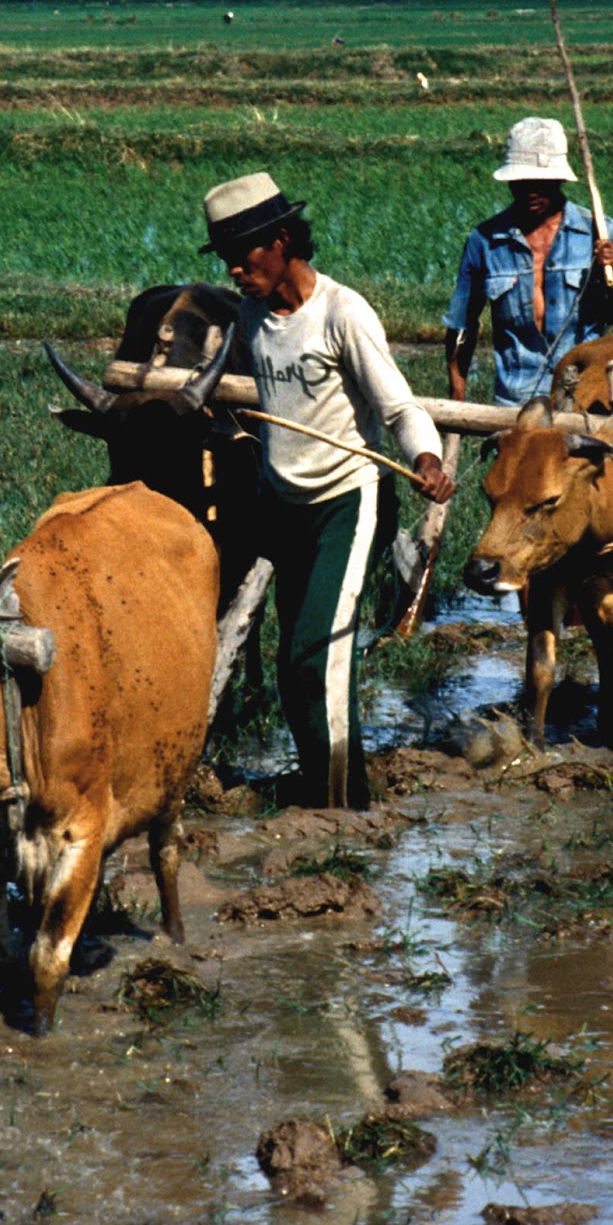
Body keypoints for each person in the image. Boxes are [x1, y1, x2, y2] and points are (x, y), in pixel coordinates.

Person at [202, 173, 451, 810]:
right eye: (224, 257)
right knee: (292, 669)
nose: (233, 269)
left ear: (282, 241)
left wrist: (424, 456)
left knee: (323, 659)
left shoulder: (343, 312)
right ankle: (321, 785)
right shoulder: (252, 318)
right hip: (285, 510)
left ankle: (346, 809)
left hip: (349, 502)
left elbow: (398, 408)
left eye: (243, 253)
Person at [443, 116, 613, 409]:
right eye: (522, 182)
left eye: (541, 182)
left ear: (560, 179)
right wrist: (457, 399)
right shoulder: (485, 241)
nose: (531, 191)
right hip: (515, 401)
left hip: (585, 396)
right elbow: (461, 326)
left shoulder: (600, 233)